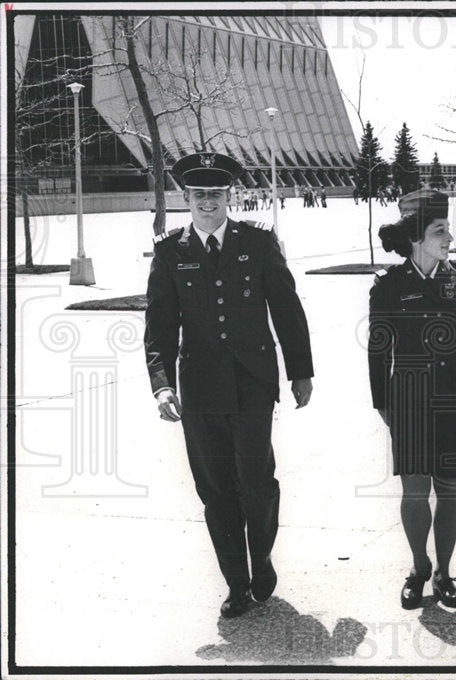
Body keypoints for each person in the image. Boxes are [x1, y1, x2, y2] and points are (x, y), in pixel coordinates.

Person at [144, 152, 314, 619]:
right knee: (216, 489)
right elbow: (159, 325)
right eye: (198, 195)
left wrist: (302, 371)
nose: (207, 203)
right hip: (199, 389)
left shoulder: (257, 243)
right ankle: (237, 583)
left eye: (215, 194)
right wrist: (162, 385)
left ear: (229, 196)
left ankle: (260, 557)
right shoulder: (170, 251)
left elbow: (286, 307)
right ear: (186, 198)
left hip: (253, 382)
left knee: (256, 483)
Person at [368, 189, 456, 610]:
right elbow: (378, 348)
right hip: (408, 399)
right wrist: (382, 402)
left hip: (454, 399)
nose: (449, 237)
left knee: (449, 489)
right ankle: (419, 567)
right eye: (440, 230)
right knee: (414, 490)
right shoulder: (388, 285)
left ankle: (444, 572)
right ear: (416, 238)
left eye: (447, 228)